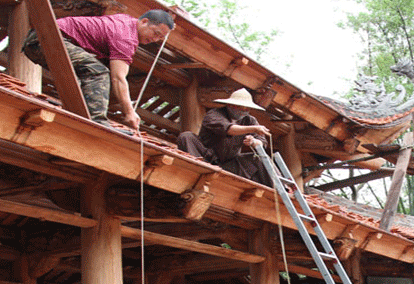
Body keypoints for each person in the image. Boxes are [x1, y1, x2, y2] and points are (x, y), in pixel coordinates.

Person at [23, 10, 175, 127]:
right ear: (144, 21)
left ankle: (77, 108)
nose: (155, 39)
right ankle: (97, 121)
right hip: (46, 39)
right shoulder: (126, 37)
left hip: (40, 40)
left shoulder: (125, 21)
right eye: (155, 33)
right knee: (98, 71)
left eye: (159, 38)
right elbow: (118, 78)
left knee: (90, 70)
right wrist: (129, 112)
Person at [176, 88, 272, 184]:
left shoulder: (250, 121)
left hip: (229, 165)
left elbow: (262, 143)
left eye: (247, 109)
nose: (243, 111)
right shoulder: (214, 114)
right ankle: (197, 168)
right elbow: (230, 129)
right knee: (186, 136)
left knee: (258, 158)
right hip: (205, 157)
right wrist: (253, 128)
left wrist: (253, 141)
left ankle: (279, 188)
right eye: (240, 108)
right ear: (230, 105)